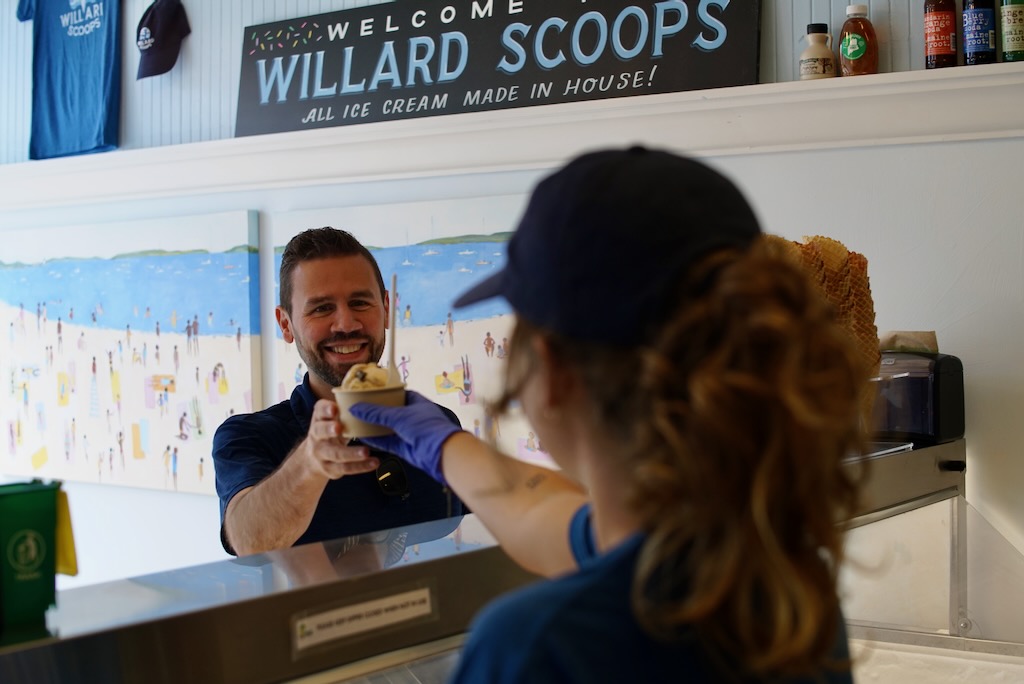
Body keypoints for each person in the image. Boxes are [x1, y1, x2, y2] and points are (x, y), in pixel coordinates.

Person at [350, 147, 867, 683]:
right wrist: (440, 444)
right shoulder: (791, 596)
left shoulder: (537, 645)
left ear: (551, 367)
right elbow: (543, 515)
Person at [213, 227, 464, 556]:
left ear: (386, 308)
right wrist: (310, 462)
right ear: (286, 324)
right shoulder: (249, 437)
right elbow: (248, 541)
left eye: (360, 302)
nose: (346, 324)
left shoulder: (437, 424)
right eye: (321, 308)